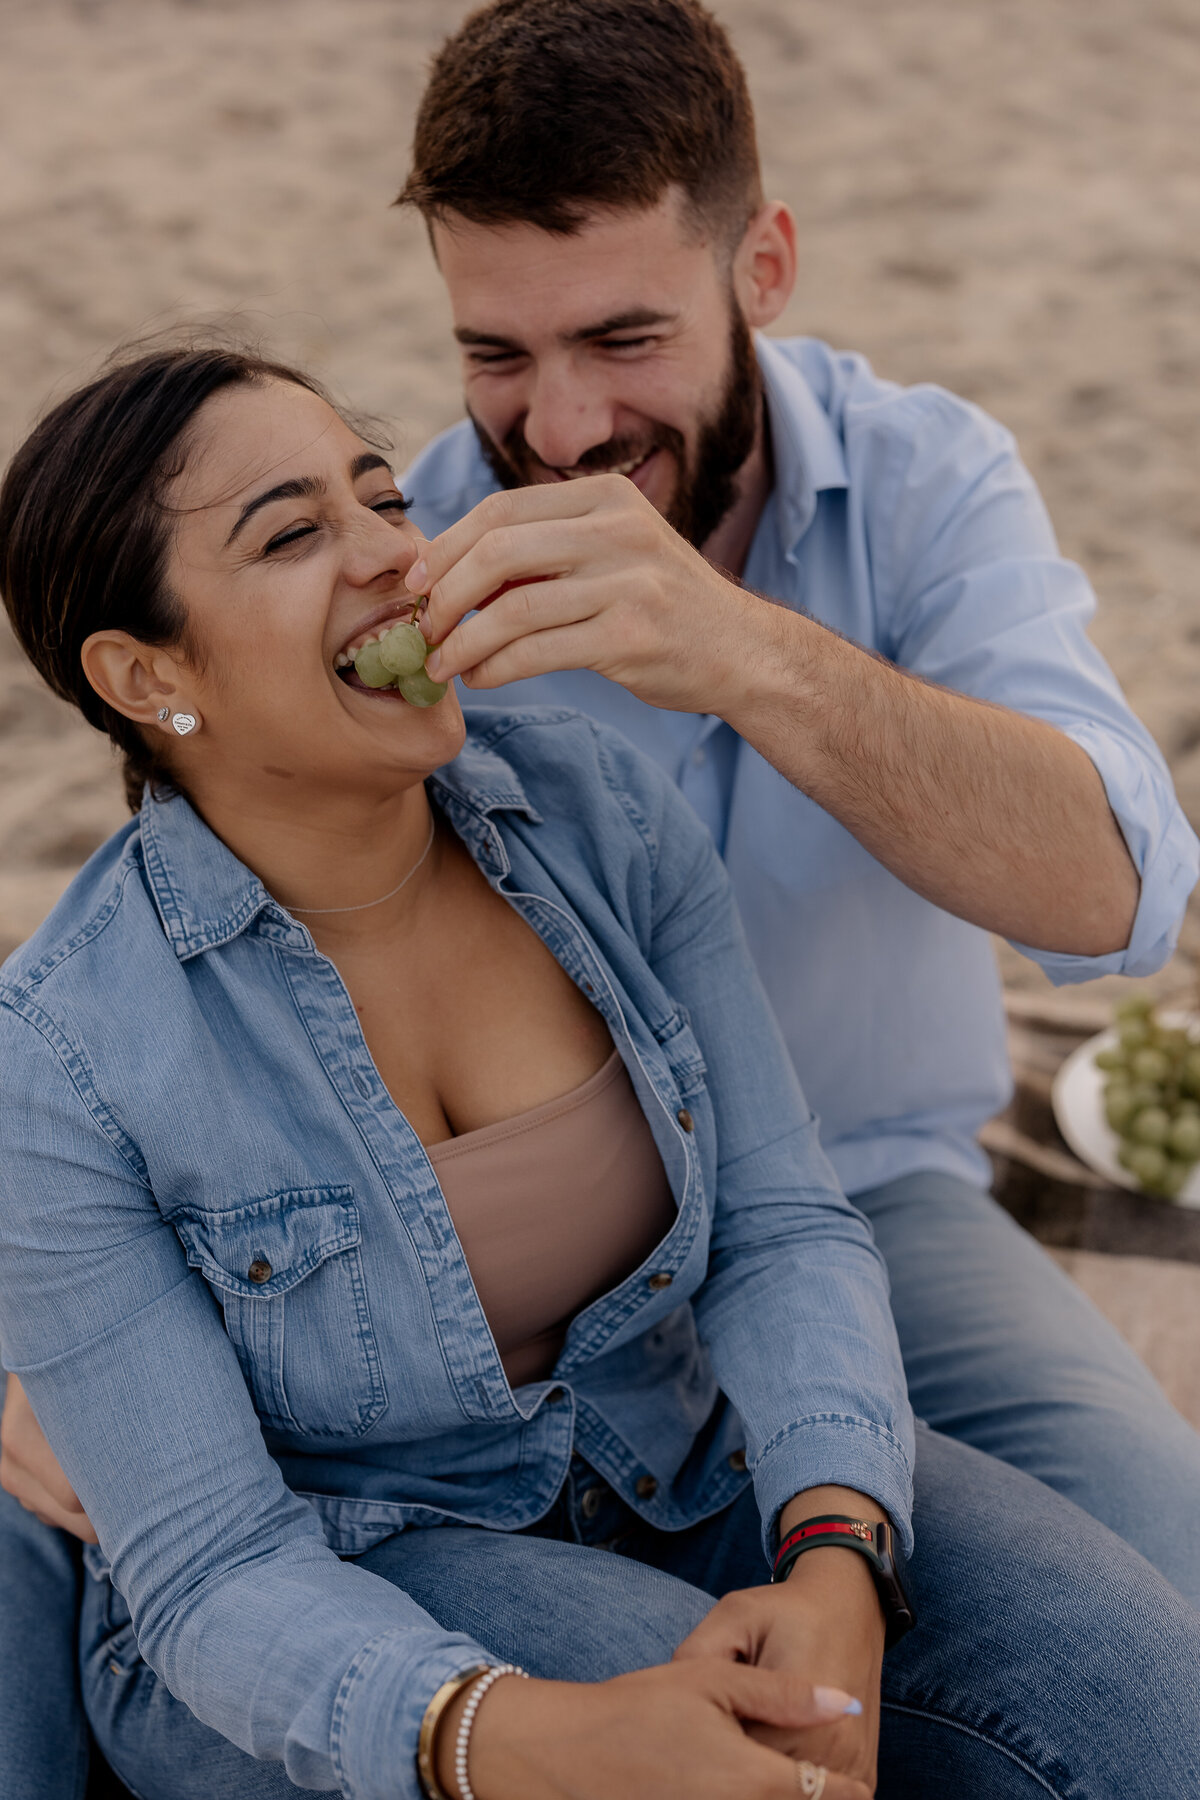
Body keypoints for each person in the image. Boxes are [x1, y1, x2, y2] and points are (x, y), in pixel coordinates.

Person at [1, 344, 1198, 1800]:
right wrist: (521, 1740)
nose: (391, 555)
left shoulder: (593, 806)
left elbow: (781, 1225)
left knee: (1151, 1702)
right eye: (294, 533)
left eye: (382, 499)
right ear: (147, 676)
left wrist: (836, 1540)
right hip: (331, 1594)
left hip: (689, 1471)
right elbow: (210, 1574)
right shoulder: (62, 1050)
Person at [390, 0, 1200, 1601]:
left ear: (761, 267)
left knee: (1159, 1561)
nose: (559, 433)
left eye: (624, 341)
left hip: (879, 1195)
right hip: (550, 1276)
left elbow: (1118, 893)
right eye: (497, 352)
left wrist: (746, 654)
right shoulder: (409, 551)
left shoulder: (926, 479)